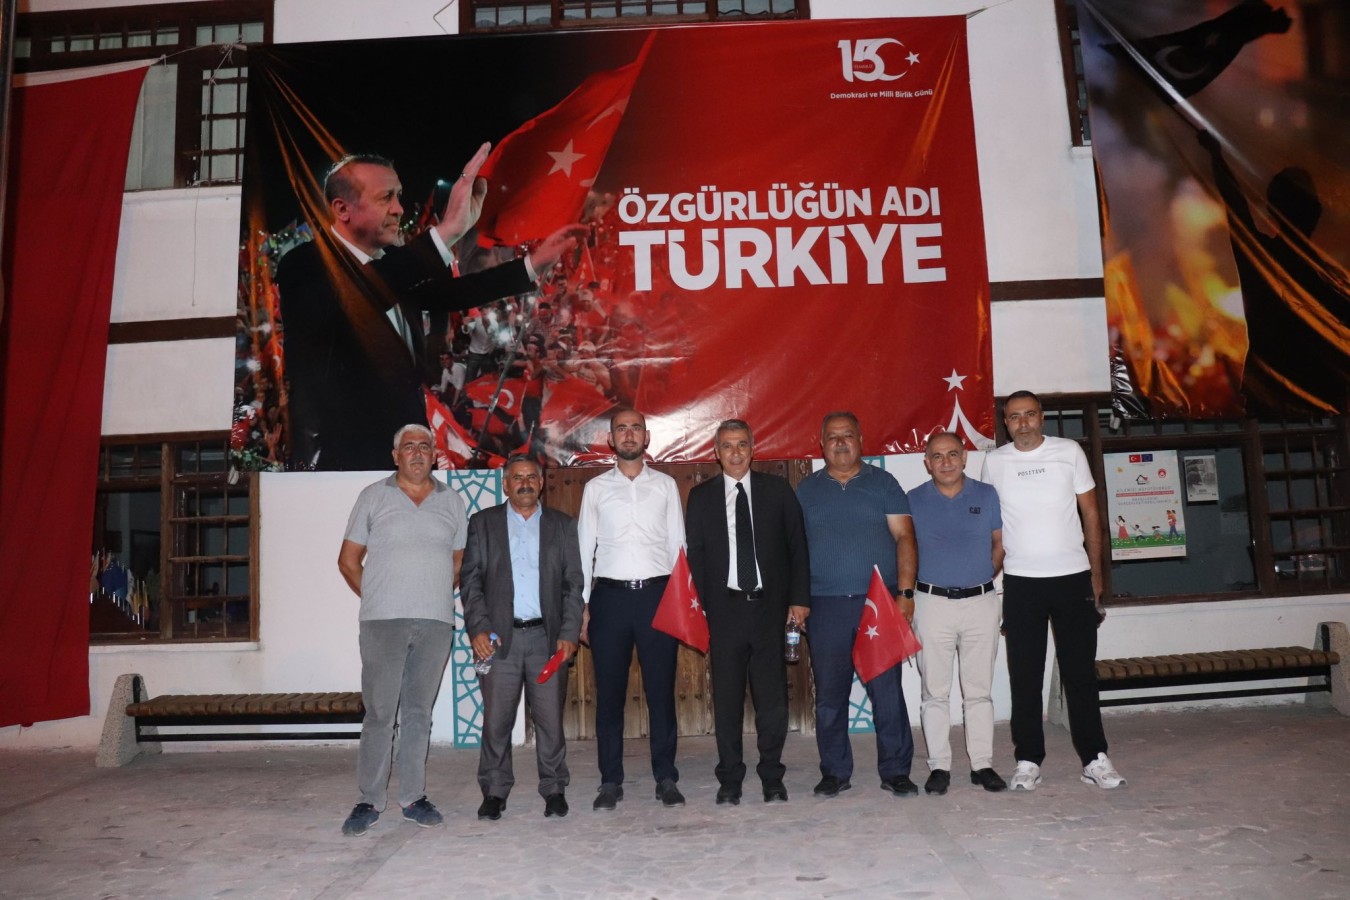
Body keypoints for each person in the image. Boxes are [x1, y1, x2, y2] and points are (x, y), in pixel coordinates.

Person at [277, 144, 585, 470]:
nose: (398, 209)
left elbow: (455, 293)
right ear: (342, 209)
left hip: (405, 451)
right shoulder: (304, 266)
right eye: (386, 198)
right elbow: (365, 290)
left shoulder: (393, 265)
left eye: (399, 195)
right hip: (338, 464)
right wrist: (448, 230)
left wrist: (533, 264)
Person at [981, 390, 1127, 791]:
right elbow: (992, 527)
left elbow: (1091, 514)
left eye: (1029, 414)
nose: (1023, 423)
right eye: (1014, 417)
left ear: (1041, 417)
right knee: (1025, 677)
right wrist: (987, 577)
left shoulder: (1069, 452)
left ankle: (1095, 759)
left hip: (1073, 578)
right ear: (1006, 422)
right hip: (1021, 583)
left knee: (1080, 675)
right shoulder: (994, 462)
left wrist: (1096, 575)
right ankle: (1028, 760)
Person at [336, 424, 467, 836]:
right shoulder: (373, 497)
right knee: (379, 713)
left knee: (418, 713)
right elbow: (348, 560)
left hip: (435, 622)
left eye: (424, 446)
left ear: (435, 455)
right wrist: (378, 597)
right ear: (395, 455)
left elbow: (459, 562)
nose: (417, 453)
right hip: (382, 623)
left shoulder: (452, 501)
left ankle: (413, 797)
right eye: (408, 447)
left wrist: (431, 595)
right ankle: (369, 800)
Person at [685, 419, 810, 805]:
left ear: (753, 449)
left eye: (742, 444)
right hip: (724, 611)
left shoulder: (777, 490)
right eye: (727, 446)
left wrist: (799, 600)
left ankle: (772, 775)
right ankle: (730, 778)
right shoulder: (701, 497)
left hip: (770, 610)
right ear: (716, 452)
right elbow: (696, 558)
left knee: (772, 700)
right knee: (726, 700)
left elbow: (797, 547)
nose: (735, 452)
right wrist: (702, 610)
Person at [795, 411, 919, 798]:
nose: (840, 442)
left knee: (887, 694)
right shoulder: (806, 490)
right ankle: (834, 772)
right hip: (824, 606)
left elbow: (905, 537)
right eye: (832, 437)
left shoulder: (884, 483)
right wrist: (796, 601)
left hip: (877, 605)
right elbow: (793, 550)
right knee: (830, 696)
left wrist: (905, 594)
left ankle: (896, 771)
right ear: (821, 444)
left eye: (847, 435)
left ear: (860, 440)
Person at [460, 455, 585, 820]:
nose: (525, 483)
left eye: (532, 477)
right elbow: (471, 582)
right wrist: (478, 628)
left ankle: (554, 788)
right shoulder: (483, 523)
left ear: (541, 483)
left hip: (547, 639)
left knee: (550, 721)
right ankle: (495, 790)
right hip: (498, 640)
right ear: (505, 484)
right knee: (496, 721)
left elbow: (573, 584)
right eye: (517, 478)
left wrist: (569, 632)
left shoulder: (562, 525)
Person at [577, 407, 685, 811]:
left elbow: (678, 547)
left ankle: (666, 777)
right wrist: (582, 606)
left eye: (635, 428)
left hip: (658, 596)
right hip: (609, 600)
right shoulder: (595, 489)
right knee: (609, 696)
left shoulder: (666, 486)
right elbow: (584, 548)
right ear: (610, 439)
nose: (628, 434)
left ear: (646, 436)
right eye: (620, 428)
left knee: (661, 694)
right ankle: (610, 782)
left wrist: (680, 602)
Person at [907, 432, 1007, 796]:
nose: (946, 462)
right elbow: (904, 548)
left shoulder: (987, 494)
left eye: (952, 454)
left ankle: (982, 764)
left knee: (978, 690)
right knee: (934, 691)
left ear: (965, 458)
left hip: (981, 602)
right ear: (927, 463)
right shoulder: (913, 499)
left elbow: (999, 544)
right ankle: (939, 766)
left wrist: (980, 575)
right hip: (931, 603)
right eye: (937, 456)